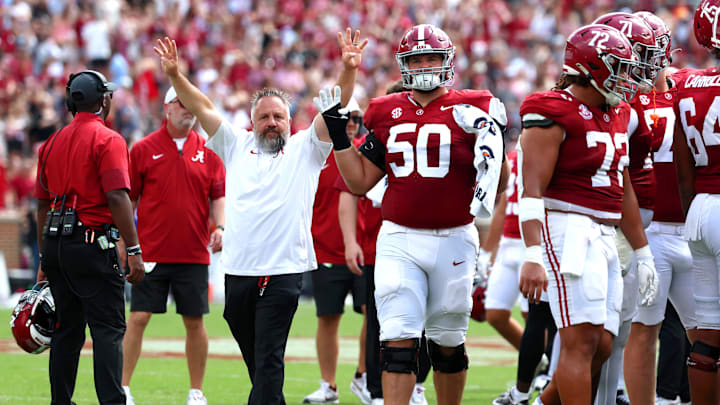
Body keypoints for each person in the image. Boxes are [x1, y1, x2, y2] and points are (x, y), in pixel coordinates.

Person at [153, 29, 367, 405]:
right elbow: (202, 106)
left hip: (283, 270)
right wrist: (174, 75)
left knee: (268, 359)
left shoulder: (306, 148)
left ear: (289, 121)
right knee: (258, 361)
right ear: (252, 122)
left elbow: (335, 105)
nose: (272, 122)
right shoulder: (235, 143)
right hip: (238, 271)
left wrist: (347, 70)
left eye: (279, 116)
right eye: (265, 117)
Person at [332, 24, 509, 405]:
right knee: (397, 340)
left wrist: (491, 137)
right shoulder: (386, 110)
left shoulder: (475, 105)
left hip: (455, 238)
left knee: (447, 341)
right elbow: (360, 181)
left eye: (431, 57)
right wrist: (338, 138)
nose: (425, 64)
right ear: (404, 64)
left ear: (447, 62)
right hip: (400, 237)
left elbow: (499, 182)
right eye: (416, 58)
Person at [517, 24, 657, 405]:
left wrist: (642, 251)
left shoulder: (616, 111)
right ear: (593, 66)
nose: (627, 77)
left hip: (605, 232)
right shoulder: (551, 110)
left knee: (602, 346)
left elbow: (621, 184)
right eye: (619, 66)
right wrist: (532, 253)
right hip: (567, 228)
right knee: (580, 343)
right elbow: (532, 190)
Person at [33, 69, 145, 405]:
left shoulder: (50, 143)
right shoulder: (108, 139)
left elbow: (42, 204)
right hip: (91, 242)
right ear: (104, 99)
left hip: (55, 242)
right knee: (108, 331)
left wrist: (43, 258)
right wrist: (135, 249)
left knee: (66, 332)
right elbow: (116, 197)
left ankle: (61, 402)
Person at [120, 86, 226, 405]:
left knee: (195, 320)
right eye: (182, 103)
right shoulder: (142, 149)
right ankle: (122, 387)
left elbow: (218, 195)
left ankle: (196, 391)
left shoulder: (210, 150)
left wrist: (220, 226)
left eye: (192, 103)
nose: (188, 109)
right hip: (151, 252)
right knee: (138, 317)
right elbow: (130, 199)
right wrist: (127, 244)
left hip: (193, 252)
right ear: (167, 108)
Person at [619, 11, 697, 405]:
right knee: (644, 328)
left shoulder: (688, 86)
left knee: (705, 332)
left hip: (695, 226)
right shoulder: (621, 102)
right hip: (652, 229)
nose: (646, 60)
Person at [302, 98, 370, 405]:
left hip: (366, 249)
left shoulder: (368, 151)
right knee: (327, 318)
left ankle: (364, 375)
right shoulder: (316, 154)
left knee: (374, 314)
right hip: (325, 249)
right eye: (346, 117)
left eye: (356, 116)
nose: (353, 122)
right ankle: (328, 384)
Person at [672, 2, 720, 403]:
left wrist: (693, 212)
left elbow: (683, 170)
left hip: (700, 209)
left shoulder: (686, 86)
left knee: (707, 332)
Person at [491, 149, 557, 405]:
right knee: (528, 313)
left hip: (551, 238)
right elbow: (505, 203)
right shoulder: (516, 154)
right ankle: (530, 385)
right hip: (520, 241)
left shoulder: (556, 144)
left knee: (548, 317)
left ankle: (546, 380)